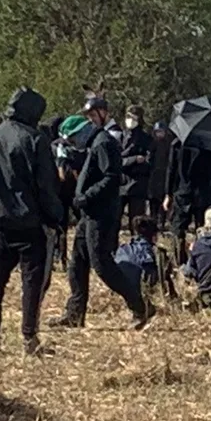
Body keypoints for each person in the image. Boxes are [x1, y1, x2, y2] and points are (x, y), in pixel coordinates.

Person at [0, 87, 64, 355]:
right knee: (32, 283)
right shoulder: (36, 140)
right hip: (30, 224)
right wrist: (55, 217)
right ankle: (29, 338)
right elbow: (46, 187)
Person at [52, 98, 152, 330]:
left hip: (101, 214)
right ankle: (75, 313)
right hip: (89, 215)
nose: (74, 143)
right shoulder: (93, 144)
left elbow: (111, 178)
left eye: (74, 139)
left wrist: (86, 196)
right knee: (77, 263)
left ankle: (140, 305)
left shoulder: (103, 144)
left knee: (102, 265)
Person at [165, 140, 211, 260]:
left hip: (183, 191)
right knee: (204, 228)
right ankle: (203, 256)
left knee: (178, 228)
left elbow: (171, 169)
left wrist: (168, 193)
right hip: (203, 192)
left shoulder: (177, 144)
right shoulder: (209, 144)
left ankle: (178, 259)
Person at [119, 104, 153, 232]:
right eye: (128, 116)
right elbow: (116, 161)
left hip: (138, 185)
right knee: (114, 222)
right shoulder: (120, 137)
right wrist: (133, 159)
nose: (130, 120)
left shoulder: (146, 139)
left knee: (137, 223)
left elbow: (148, 163)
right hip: (120, 184)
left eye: (133, 117)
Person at [115, 215, 165, 291]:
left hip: (118, 285)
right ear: (153, 235)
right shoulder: (151, 252)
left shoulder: (123, 248)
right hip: (138, 288)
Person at [147, 123, 172, 226]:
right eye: (157, 132)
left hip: (164, 175)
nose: (159, 134)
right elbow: (149, 159)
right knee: (153, 201)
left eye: (161, 131)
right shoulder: (152, 144)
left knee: (162, 201)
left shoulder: (169, 145)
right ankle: (152, 221)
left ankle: (161, 222)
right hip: (153, 175)